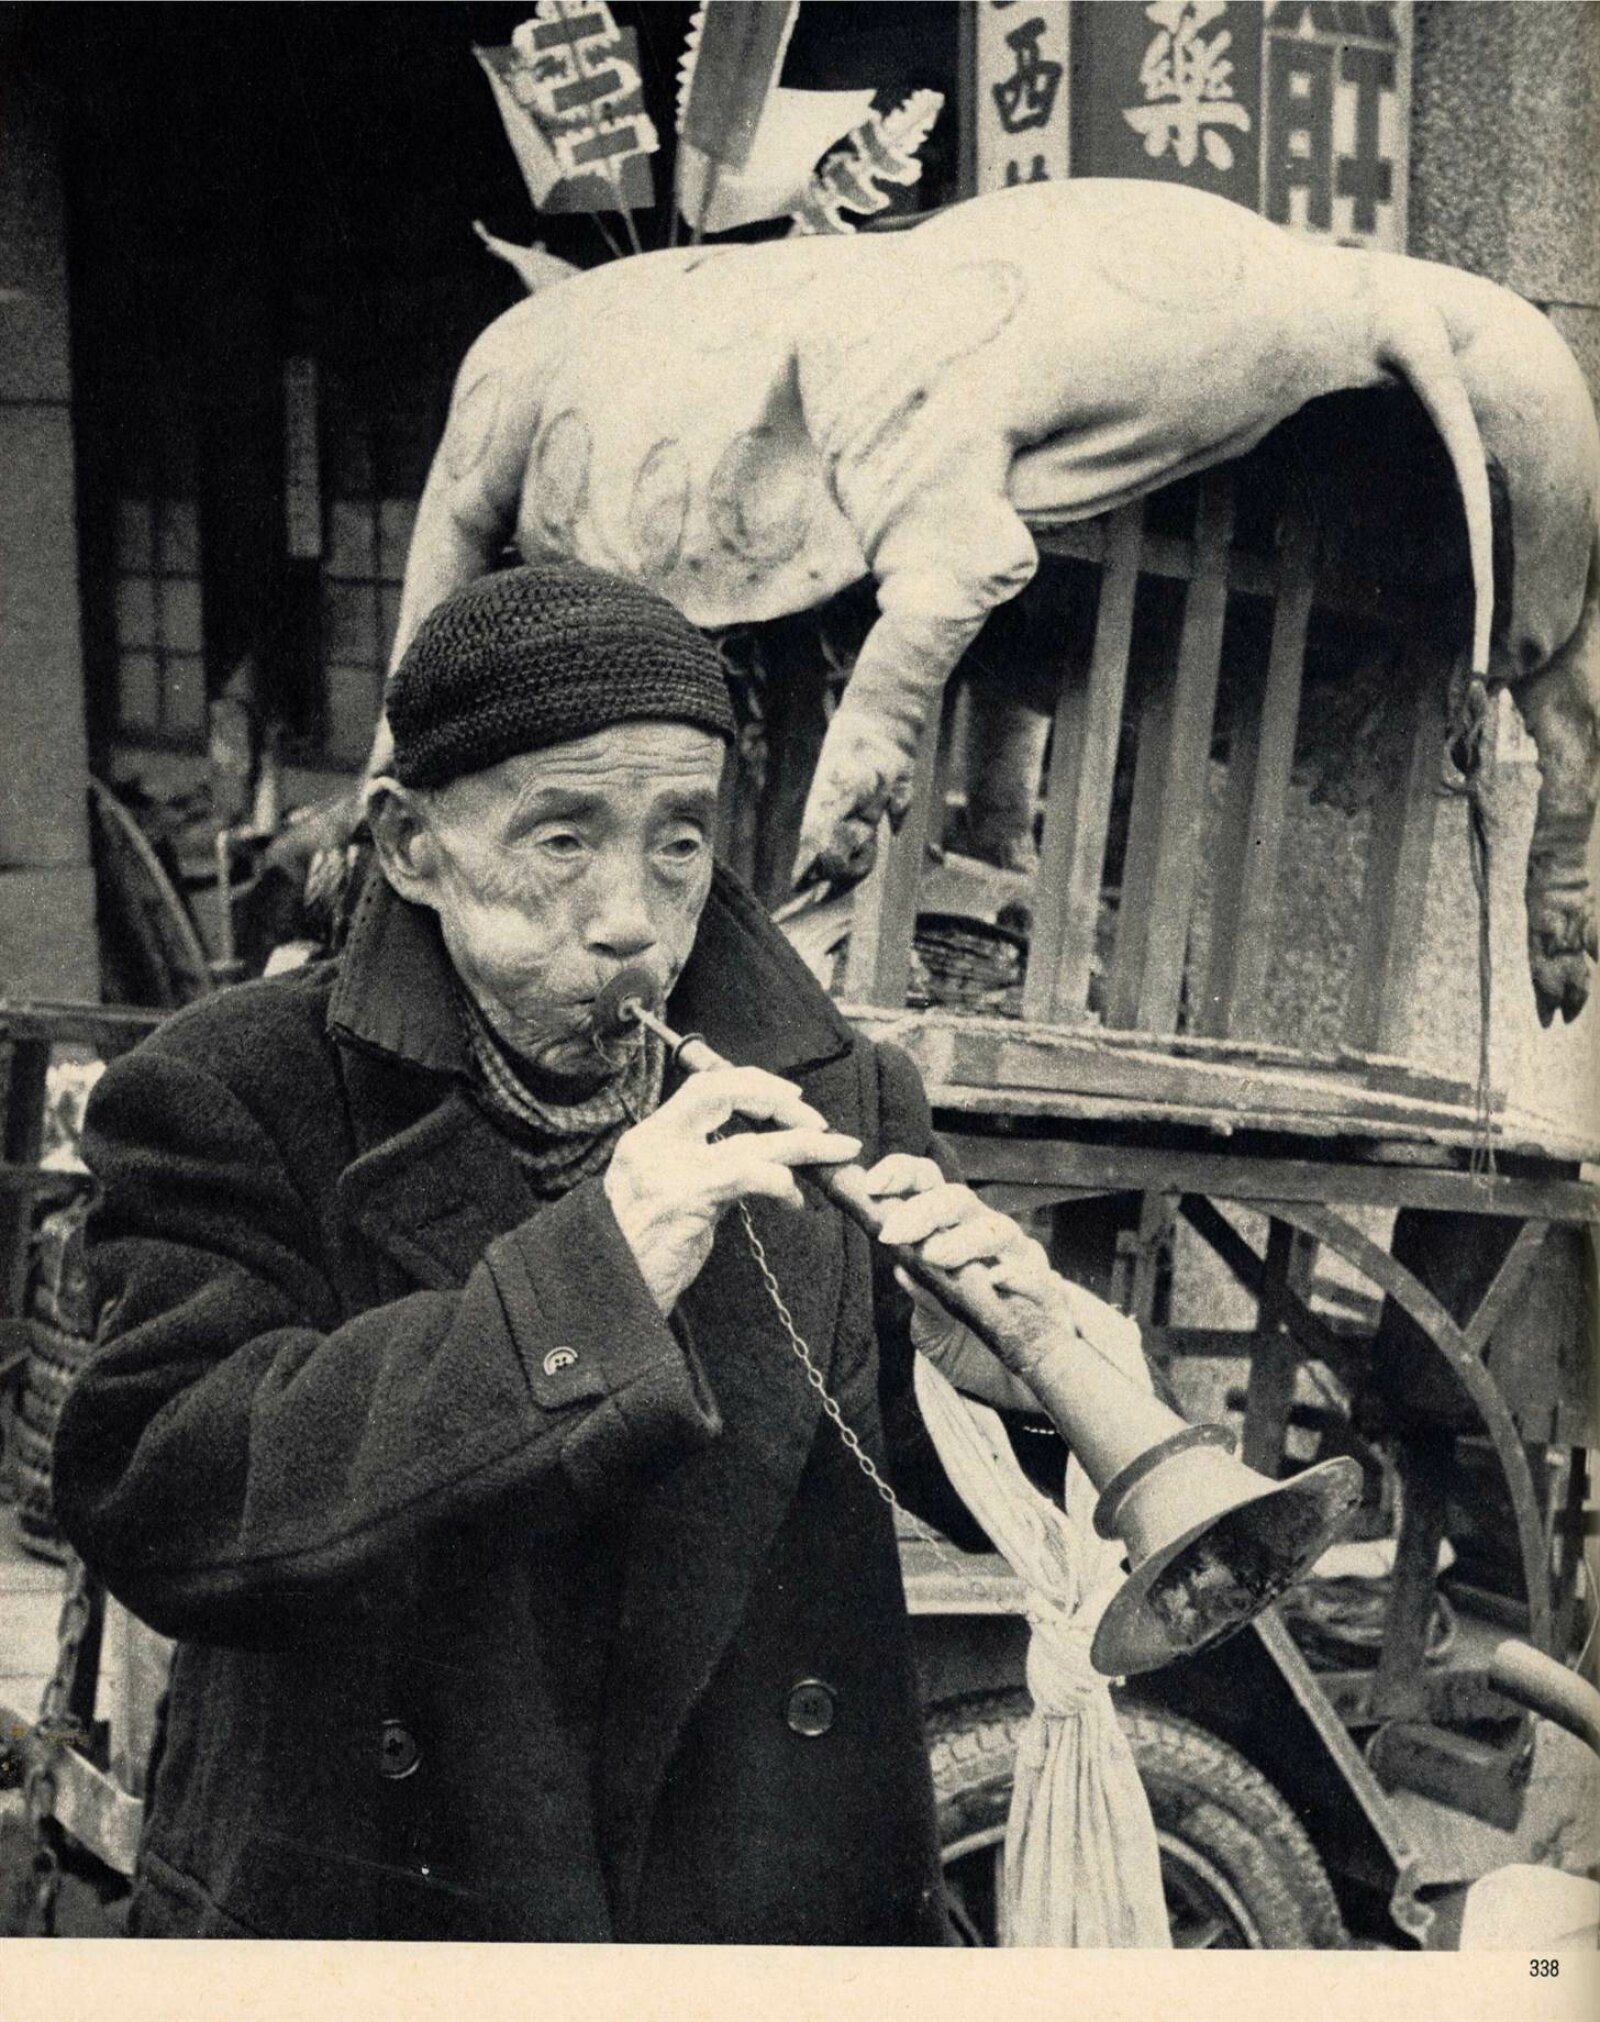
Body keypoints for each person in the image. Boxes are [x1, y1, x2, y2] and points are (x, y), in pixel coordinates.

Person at [53, 561, 1079, 1944]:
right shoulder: (230, 1091)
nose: (632, 918)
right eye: (561, 839)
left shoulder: (844, 1094)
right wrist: (593, 1282)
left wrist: (1013, 1394)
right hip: (382, 1915)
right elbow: (162, 1495)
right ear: (410, 845)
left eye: (679, 841)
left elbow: (912, 1465)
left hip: (747, 1920)